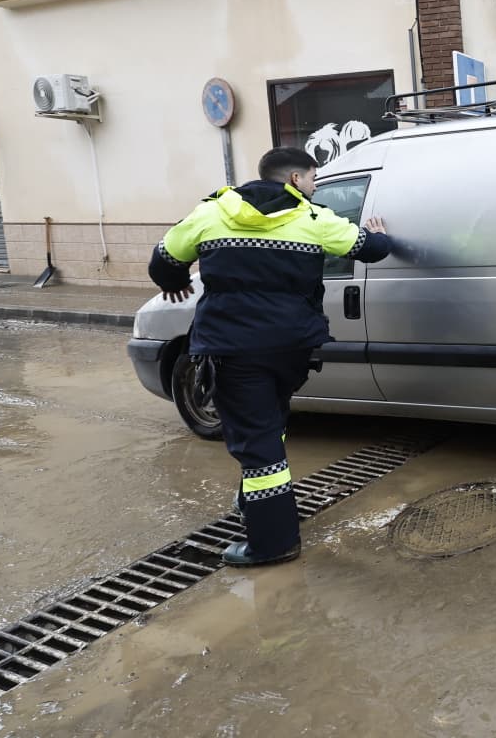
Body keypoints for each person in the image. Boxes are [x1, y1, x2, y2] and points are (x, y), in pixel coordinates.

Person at [147, 147, 392, 567]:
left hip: (234, 350)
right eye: (314, 180)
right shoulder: (312, 219)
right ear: (295, 179)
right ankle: (257, 503)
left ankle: (273, 542)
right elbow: (370, 249)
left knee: (259, 449)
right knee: (268, 425)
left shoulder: (211, 213)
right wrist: (379, 232)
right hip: (292, 348)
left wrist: (172, 282)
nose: (314, 188)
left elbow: (164, 259)